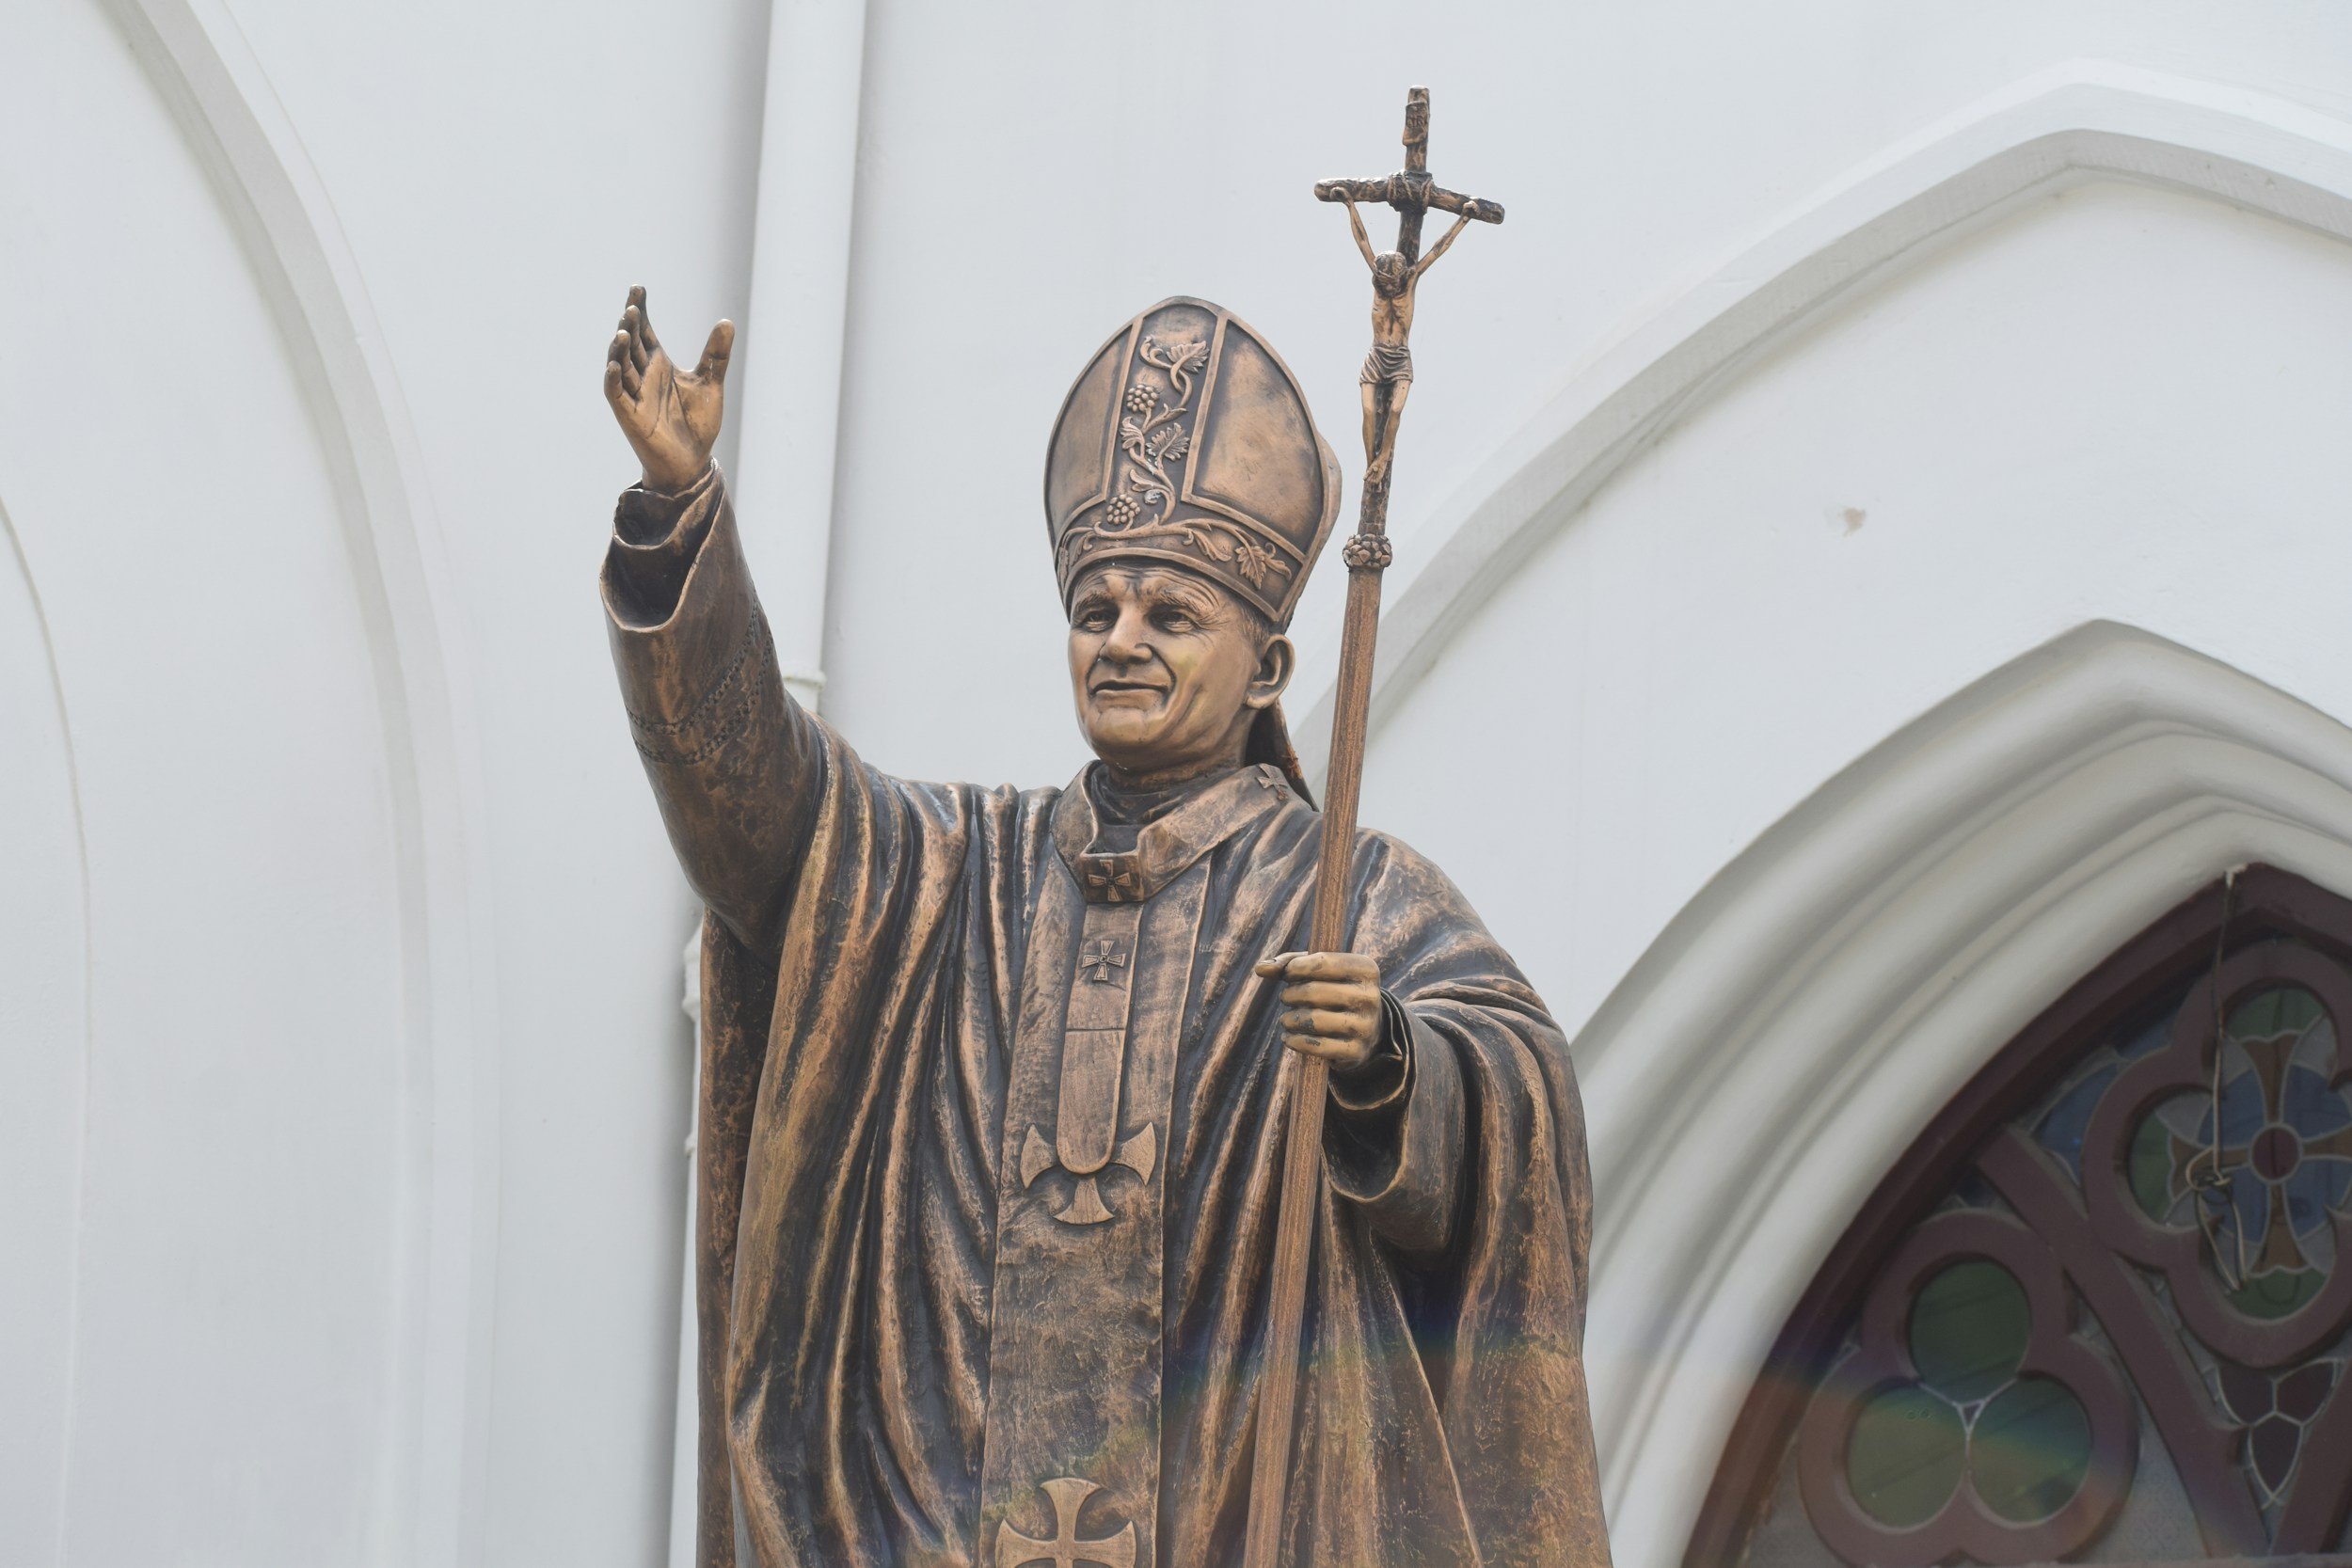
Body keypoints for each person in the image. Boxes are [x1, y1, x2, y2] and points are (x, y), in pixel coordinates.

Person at [600, 287, 1611, 1568]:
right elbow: (757, 815)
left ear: (1267, 667)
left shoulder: (1355, 898)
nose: (1122, 642)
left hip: (1241, 1514)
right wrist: (683, 518)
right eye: (1097, 611)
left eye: (1171, 616)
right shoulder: (950, 873)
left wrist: (1388, 1062)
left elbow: (1520, 1111)